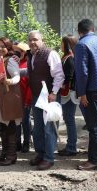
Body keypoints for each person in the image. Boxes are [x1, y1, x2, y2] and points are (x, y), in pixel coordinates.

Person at [74, 19, 97, 170]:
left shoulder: (82, 44)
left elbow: (82, 73)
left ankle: (94, 161)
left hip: (91, 92)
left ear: (79, 31)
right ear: (92, 29)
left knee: (94, 127)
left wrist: (82, 93)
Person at [27, 30, 64, 170]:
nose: (32, 42)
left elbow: (59, 75)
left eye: (35, 39)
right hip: (37, 96)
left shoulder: (51, 54)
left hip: (49, 96)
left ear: (42, 40)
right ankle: (40, 154)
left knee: (49, 128)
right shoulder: (31, 55)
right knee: (37, 128)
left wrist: (54, 92)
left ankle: (49, 158)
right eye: (30, 40)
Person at [0, 38, 23, 166]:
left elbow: (17, 76)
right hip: (1, 97)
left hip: (10, 97)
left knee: (10, 127)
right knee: (3, 126)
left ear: (8, 48)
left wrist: (10, 81)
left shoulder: (10, 61)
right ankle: (4, 153)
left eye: (3, 46)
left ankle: (11, 155)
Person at [58, 35, 79, 157]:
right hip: (67, 93)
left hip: (69, 94)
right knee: (68, 119)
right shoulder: (67, 57)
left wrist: (61, 85)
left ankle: (71, 147)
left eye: (62, 43)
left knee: (69, 120)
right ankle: (70, 146)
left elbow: (69, 77)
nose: (61, 45)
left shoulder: (70, 58)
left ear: (67, 45)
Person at [14, 42, 32, 153]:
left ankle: (26, 142)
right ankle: (17, 143)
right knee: (16, 122)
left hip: (25, 97)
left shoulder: (29, 64)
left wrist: (28, 99)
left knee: (25, 121)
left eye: (20, 51)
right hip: (15, 98)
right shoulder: (14, 62)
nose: (18, 53)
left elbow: (30, 85)